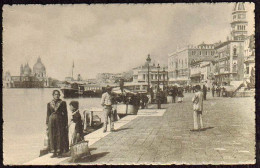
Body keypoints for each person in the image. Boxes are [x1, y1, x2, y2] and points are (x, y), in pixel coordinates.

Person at [46, 90, 69, 158]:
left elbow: (65, 114)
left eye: (58, 94)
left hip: (60, 120)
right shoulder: (49, 103)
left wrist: (66, 123)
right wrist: (47, 123)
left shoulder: (62, 103)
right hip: (51, 121)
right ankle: (54, 151)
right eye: (55, 94)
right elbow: (48, 114)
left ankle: (59, 152)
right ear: (53, 95)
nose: (57, 96)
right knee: (52, 135)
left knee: (59, 135)